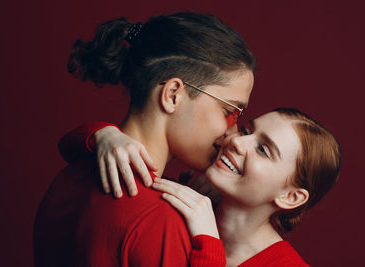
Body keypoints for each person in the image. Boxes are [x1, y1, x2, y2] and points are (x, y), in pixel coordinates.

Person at [34, 12, 256, 266]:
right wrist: (208, 243)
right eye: (230, 112)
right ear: (173, 95)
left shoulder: (69, 176)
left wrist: (98, 134)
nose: (233, 132)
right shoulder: (160, 220)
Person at [68, 108, 341, 266]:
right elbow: (70, 148)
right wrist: (106, 135)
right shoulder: (189, 196)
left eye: (263, 150)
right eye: (247, 130)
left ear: (291, 196)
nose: (237, 142)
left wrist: (208, 246)